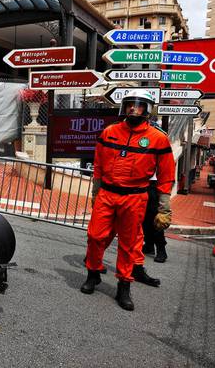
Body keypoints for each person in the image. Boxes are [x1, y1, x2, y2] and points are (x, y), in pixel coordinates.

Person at [80, 89, 175, 311]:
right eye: (130, 104)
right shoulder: (109, 132)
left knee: (128, 243)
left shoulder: (158, 139)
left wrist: (165, 207)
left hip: (135, 197)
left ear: (147, 110)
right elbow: (99, 165)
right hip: (107, 193)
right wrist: (95, 193)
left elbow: (166, 174)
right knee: (95, 236)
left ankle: (124, 286)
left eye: (139, 105)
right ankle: (93, 274)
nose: (133, 108)